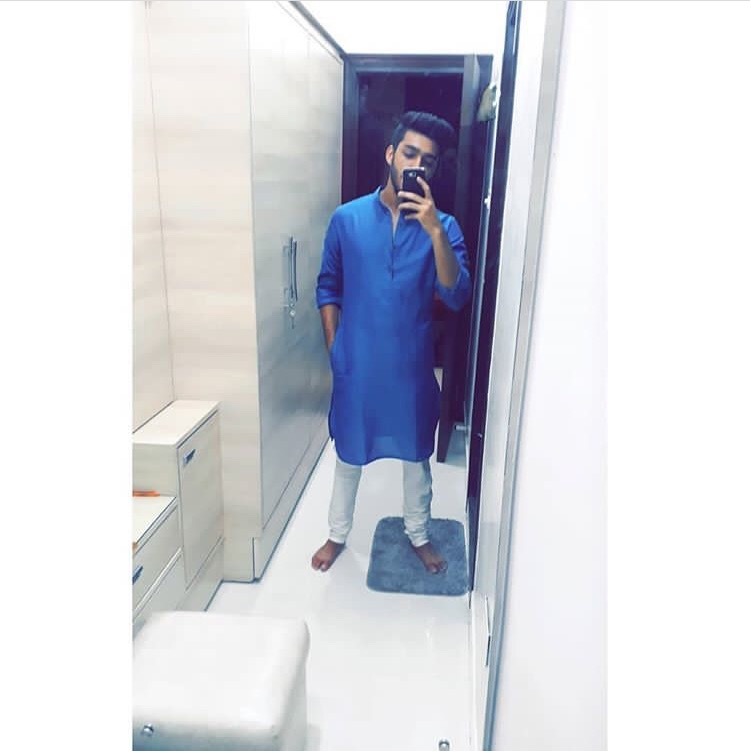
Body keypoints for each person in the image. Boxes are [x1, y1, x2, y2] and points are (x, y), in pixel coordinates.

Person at [311, 111, 472, 574]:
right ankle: (337, 533)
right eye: (409, 153)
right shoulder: (347, 219)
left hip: (411, 369)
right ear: (390, 154)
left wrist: (434, 231)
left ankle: (418, 534)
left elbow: (456, 294)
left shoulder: (445, 227)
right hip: (357, 364)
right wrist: (335, 348)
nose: (416, 164)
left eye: (428, 160)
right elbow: (328, 286)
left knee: (417, 457)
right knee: (348, 454)